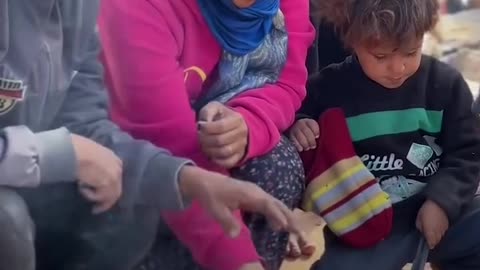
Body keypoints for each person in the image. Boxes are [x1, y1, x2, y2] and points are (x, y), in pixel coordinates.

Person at [0, 1, 304, 270]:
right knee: (8, 221)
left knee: (131, 208)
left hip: (37, 171)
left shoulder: (80, 8)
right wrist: (58, 153)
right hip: (18, 185)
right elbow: (158, 134)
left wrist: (191, 180)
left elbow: (86, 122)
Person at [98, 0, 315, 269]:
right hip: (136, 156)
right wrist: (239, 258)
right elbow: (169, 145)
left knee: (276, 168)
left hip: (203, 140)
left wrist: (248, 123)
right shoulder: (135, 7)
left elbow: (287, 83)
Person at [289, 0, 480, 269]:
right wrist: (300, 123)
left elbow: (468, 153)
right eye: (381, 56)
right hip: (369, 229)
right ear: (353, 40)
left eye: (410, 52)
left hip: (441, 211)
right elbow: (293, 112)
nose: (398, 68)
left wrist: (442, 202)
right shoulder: (326, 89)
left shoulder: (446, 84)